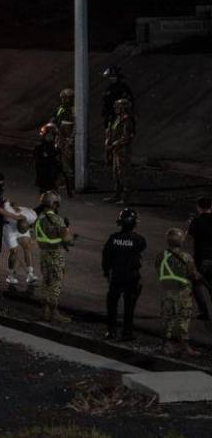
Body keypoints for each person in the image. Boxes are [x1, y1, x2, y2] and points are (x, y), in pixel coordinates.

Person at [158, 227, 203, 357]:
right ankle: (185, 346)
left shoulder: (161, 255)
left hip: (167, 290)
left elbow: (159, 270)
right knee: (183, 319)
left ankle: (166, 345)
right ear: (181, 241)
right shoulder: (186, 257)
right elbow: (193, 274)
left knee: (167, 318)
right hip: (183, 292)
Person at [102, 208, 145, 341]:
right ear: (135, 224)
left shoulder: (113, 238)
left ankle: (111, 331)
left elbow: (106, 257)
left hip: (116, 276)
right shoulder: (139, 239)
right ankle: (127, 332)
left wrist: (106, 272)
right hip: (132, 276)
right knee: (129, 305)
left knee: (112, 304)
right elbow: (141, 247)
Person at [34, 190, 75, 323]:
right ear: (55, 204)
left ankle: (44, 311)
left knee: (46, 282)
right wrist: (70, 234)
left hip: (44, 253)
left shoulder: (39, 219)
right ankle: (54, 312)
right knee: (55, 284)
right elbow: (68, 240)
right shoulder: (57, 220)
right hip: (56, 255)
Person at [2, 198, 37, 288]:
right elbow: (6, 201)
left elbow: (34, 225)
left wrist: (27, 231)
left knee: (27, 247)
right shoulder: (8, 214)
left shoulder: (31, 216)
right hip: (10, 228)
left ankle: (30, 273)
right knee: (14, 251)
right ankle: (10, 275)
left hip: (23, 224)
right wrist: (8, 203)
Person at [105, 97, 134, 203]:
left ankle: (126, 197)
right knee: (116, 173)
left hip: (123, 150)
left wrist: (115, 143)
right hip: (116, 149)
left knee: (123, 173)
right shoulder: (117, 118)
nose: (115, 108)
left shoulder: (127, 119)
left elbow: (126, 137)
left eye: (118, 107)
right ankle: (117, 194)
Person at [187, 196, 212, 321]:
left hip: (201, 258)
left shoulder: (196, 221)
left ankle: (203, 311)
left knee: (196, 284)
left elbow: (187, 239)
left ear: (198, 207)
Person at [51, 88, 77, 197]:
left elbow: (75, 124)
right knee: (59, 160)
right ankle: (62, 181)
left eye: (66, 98)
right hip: (60, 137)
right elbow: (56, 119)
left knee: (67, 161)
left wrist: (71, 138)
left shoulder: (73, 109)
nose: (64, 100)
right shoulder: (61, 108)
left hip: (67, 138)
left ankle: (71, 184)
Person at [33, 124, 63, 194]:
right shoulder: (39, 148)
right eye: (48, 135)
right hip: (43, 174)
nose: (49, 137)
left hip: (53, 176)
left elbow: (59, 162)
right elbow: (38, 160)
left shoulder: (56, 149)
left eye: (51, 136)